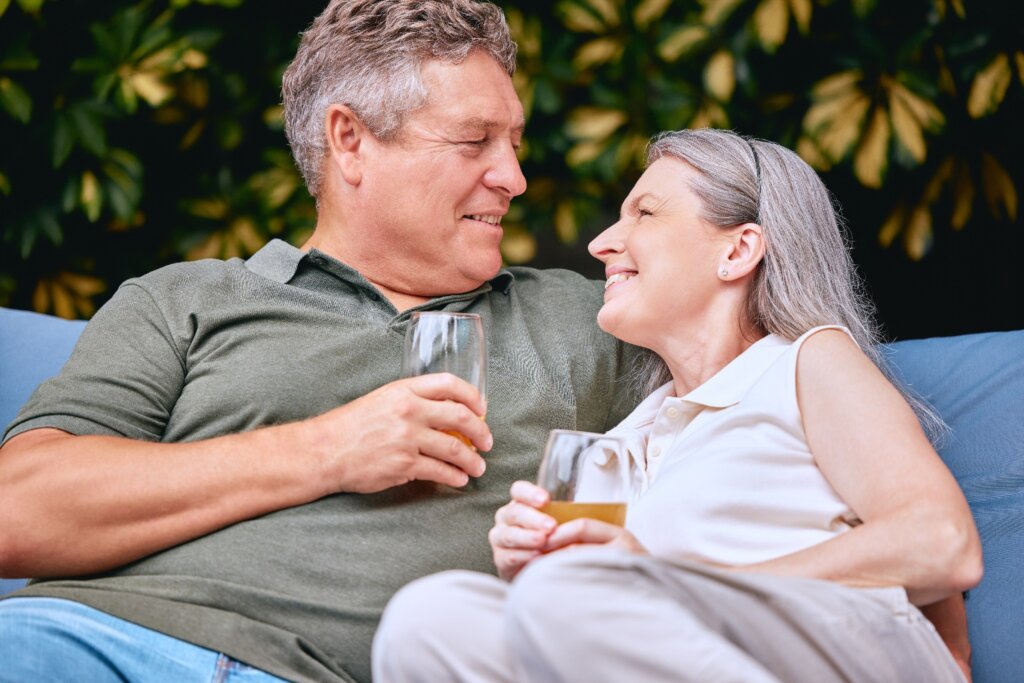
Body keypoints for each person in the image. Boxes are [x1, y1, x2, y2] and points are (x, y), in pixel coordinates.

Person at [0, 2, 643, 682]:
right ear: (350, 140)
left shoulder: (583, 319)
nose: (512, 177)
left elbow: (756, 379)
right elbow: (17, 513)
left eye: (514, 143)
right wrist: (328, 449)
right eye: (473, 139)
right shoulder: (183, 300)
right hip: (79, 640)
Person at [372, 129, 983, 683]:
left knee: (571, 591)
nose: (602, 242)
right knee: (428, 618)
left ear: (738, 251)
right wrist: (535, 568)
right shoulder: (622, 440)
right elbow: (593, 616)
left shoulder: (804, 361)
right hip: (688, 651)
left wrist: (667, 585)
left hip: (843, 648)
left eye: (644, 213)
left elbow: (943, 544)